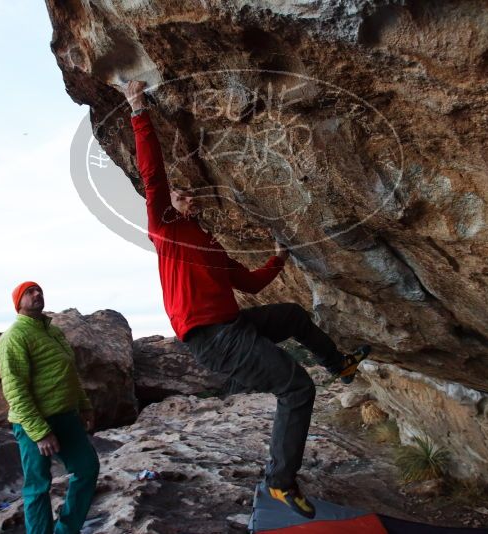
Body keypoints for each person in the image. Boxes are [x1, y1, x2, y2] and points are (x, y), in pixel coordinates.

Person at [120, 80, 370, 519]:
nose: (186, 195)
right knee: (297, 387)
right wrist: (138, 109)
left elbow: (249, 284)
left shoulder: (209, 244)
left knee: (291, 315)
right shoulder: (166, 230)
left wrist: (277, 259)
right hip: (211, 338)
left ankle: (339, 364)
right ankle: (279, 482)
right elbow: (153, 175)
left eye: (189, 193)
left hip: (234, 325)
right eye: (179, 194)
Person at [0, 281, 99, 533]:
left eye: (38, 290)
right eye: (29, 292)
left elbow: (69, 373)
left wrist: (84, 405)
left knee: (87, 468)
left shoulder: (53, 332)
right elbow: (15, 390)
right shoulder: (14, 337)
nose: (37, 294)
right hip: (33, 423)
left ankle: (66, 529)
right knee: (38, 485)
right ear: (18, 303)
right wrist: (40, 432)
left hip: (66, 416)